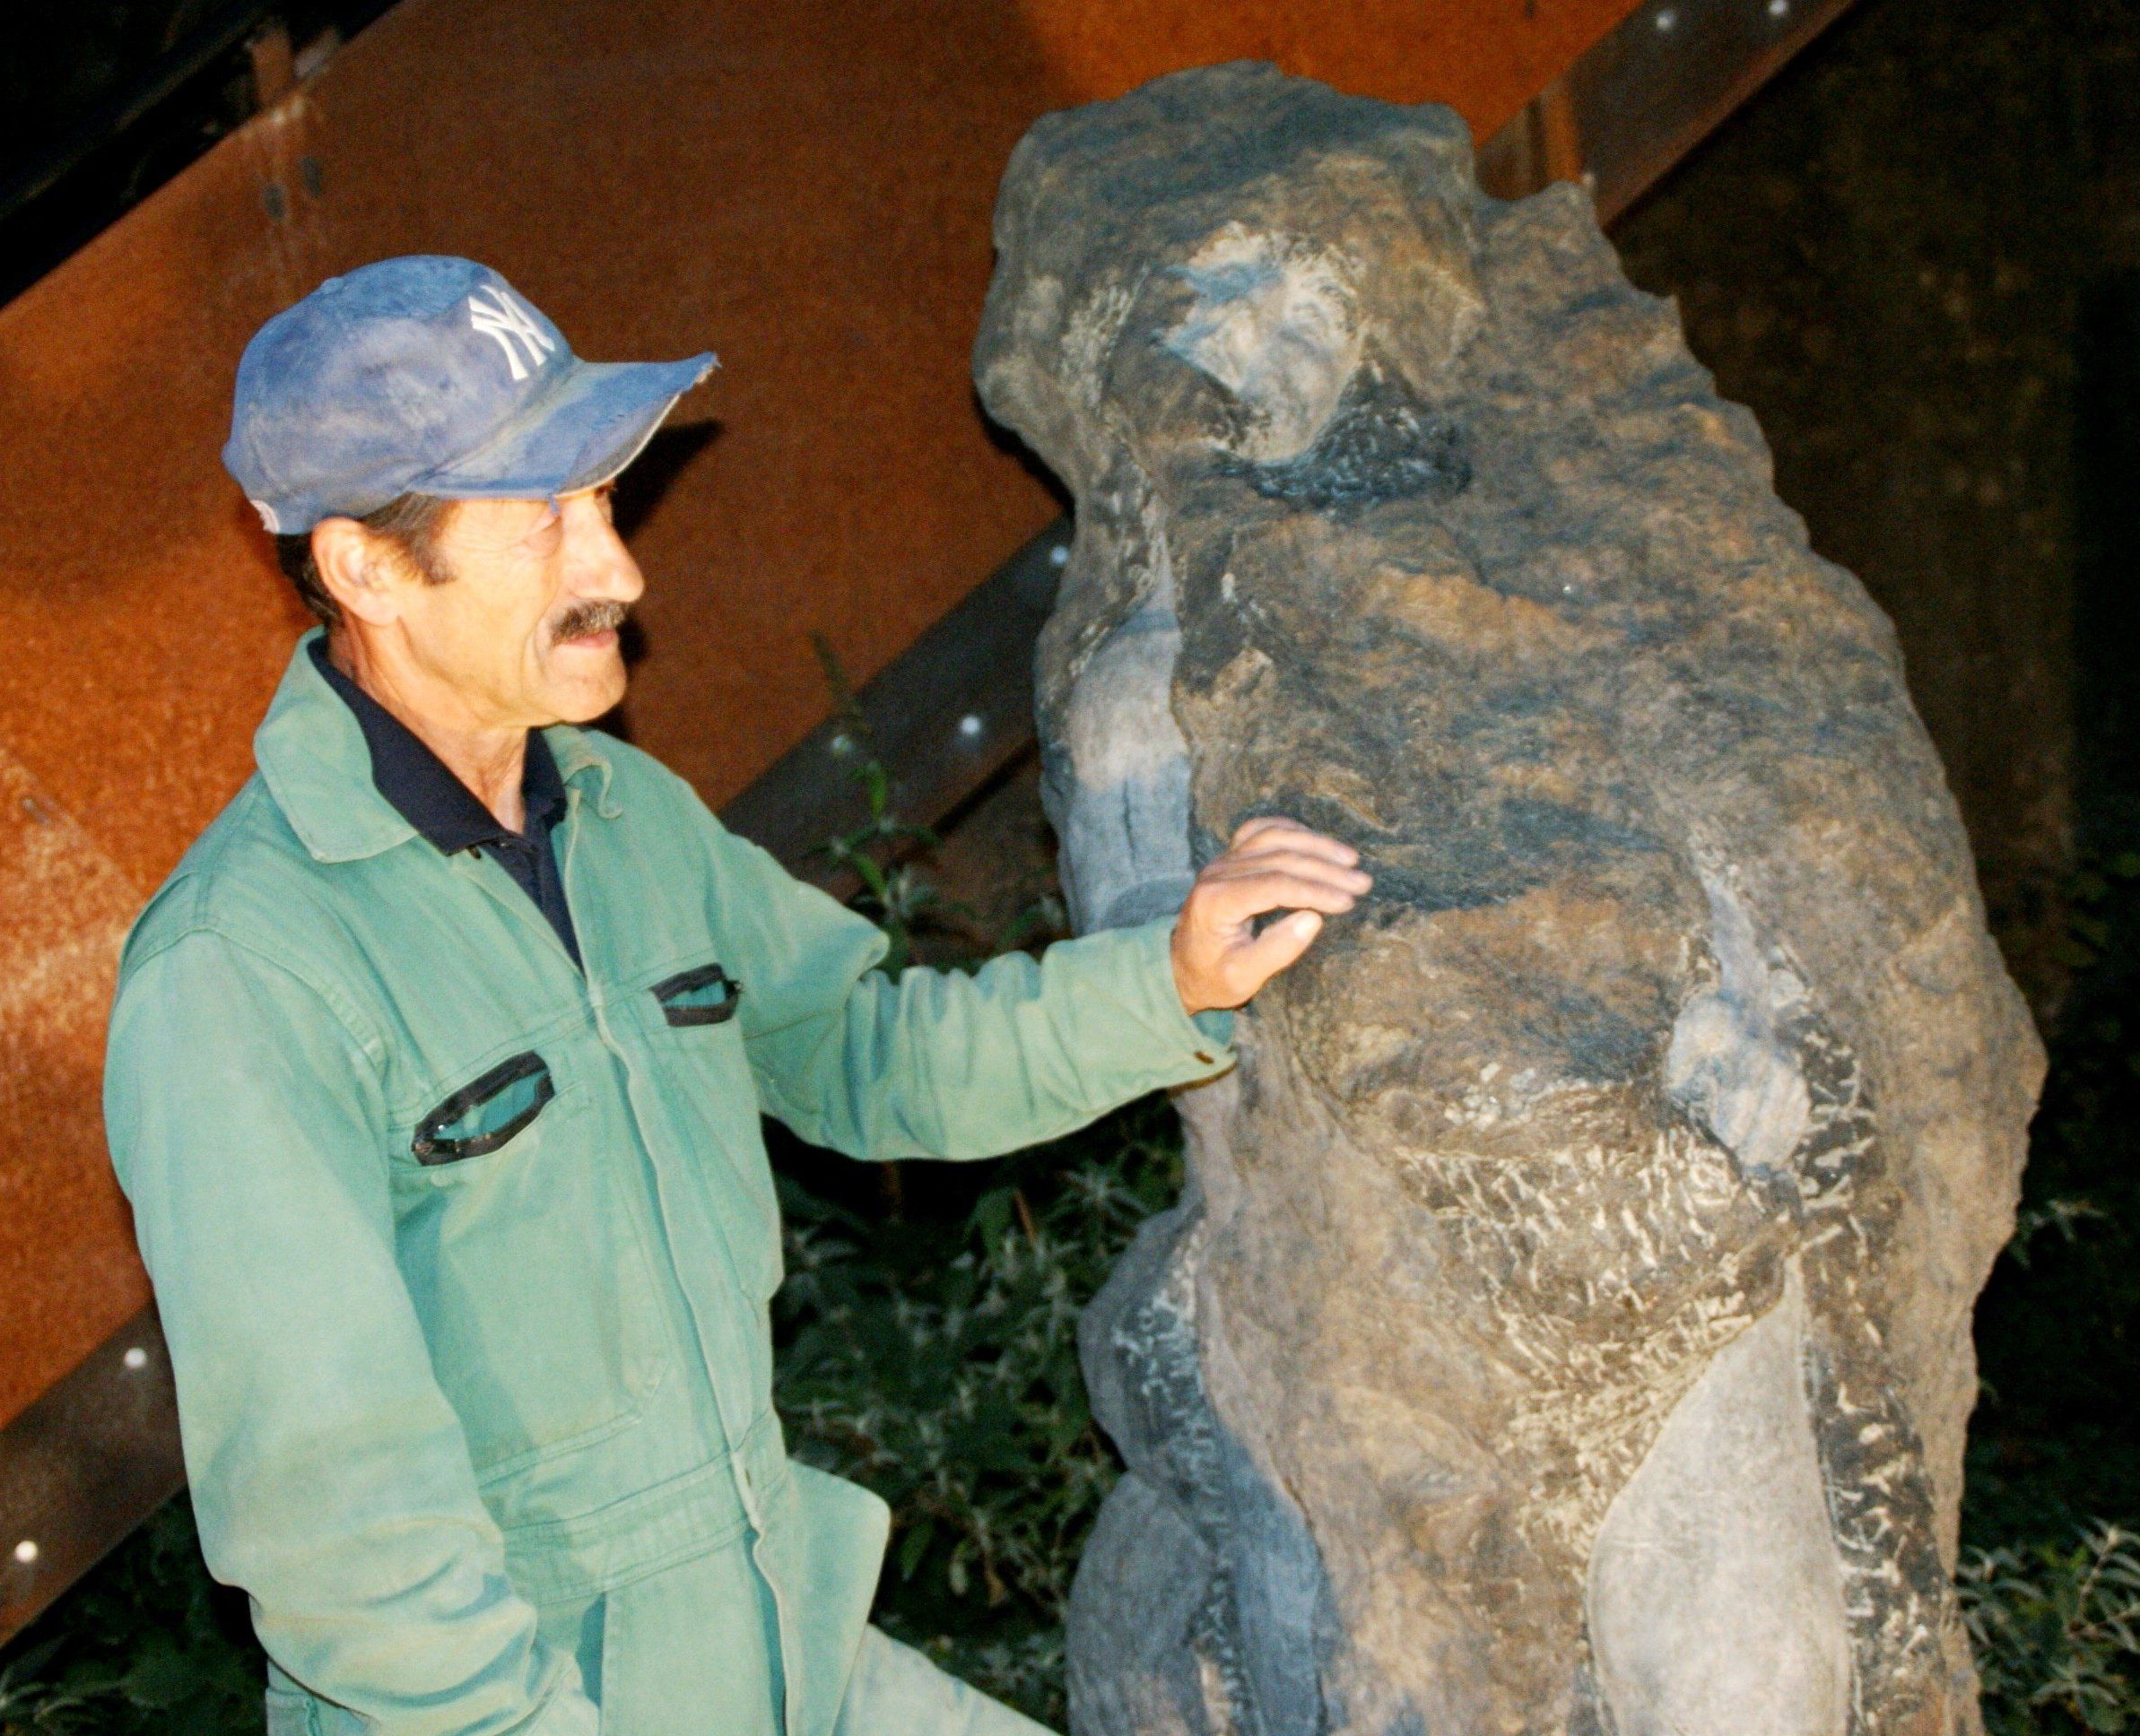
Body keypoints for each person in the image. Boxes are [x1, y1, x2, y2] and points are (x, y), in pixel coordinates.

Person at [102, 255, 1370, 1736]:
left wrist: (1166, 976)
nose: (620, 571)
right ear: (367, 567)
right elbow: (338, 1524)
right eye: (544, 518)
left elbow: (863, 1051)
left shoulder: (623, 818)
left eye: (603, 500)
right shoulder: (241, 972)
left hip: (781, 1638)